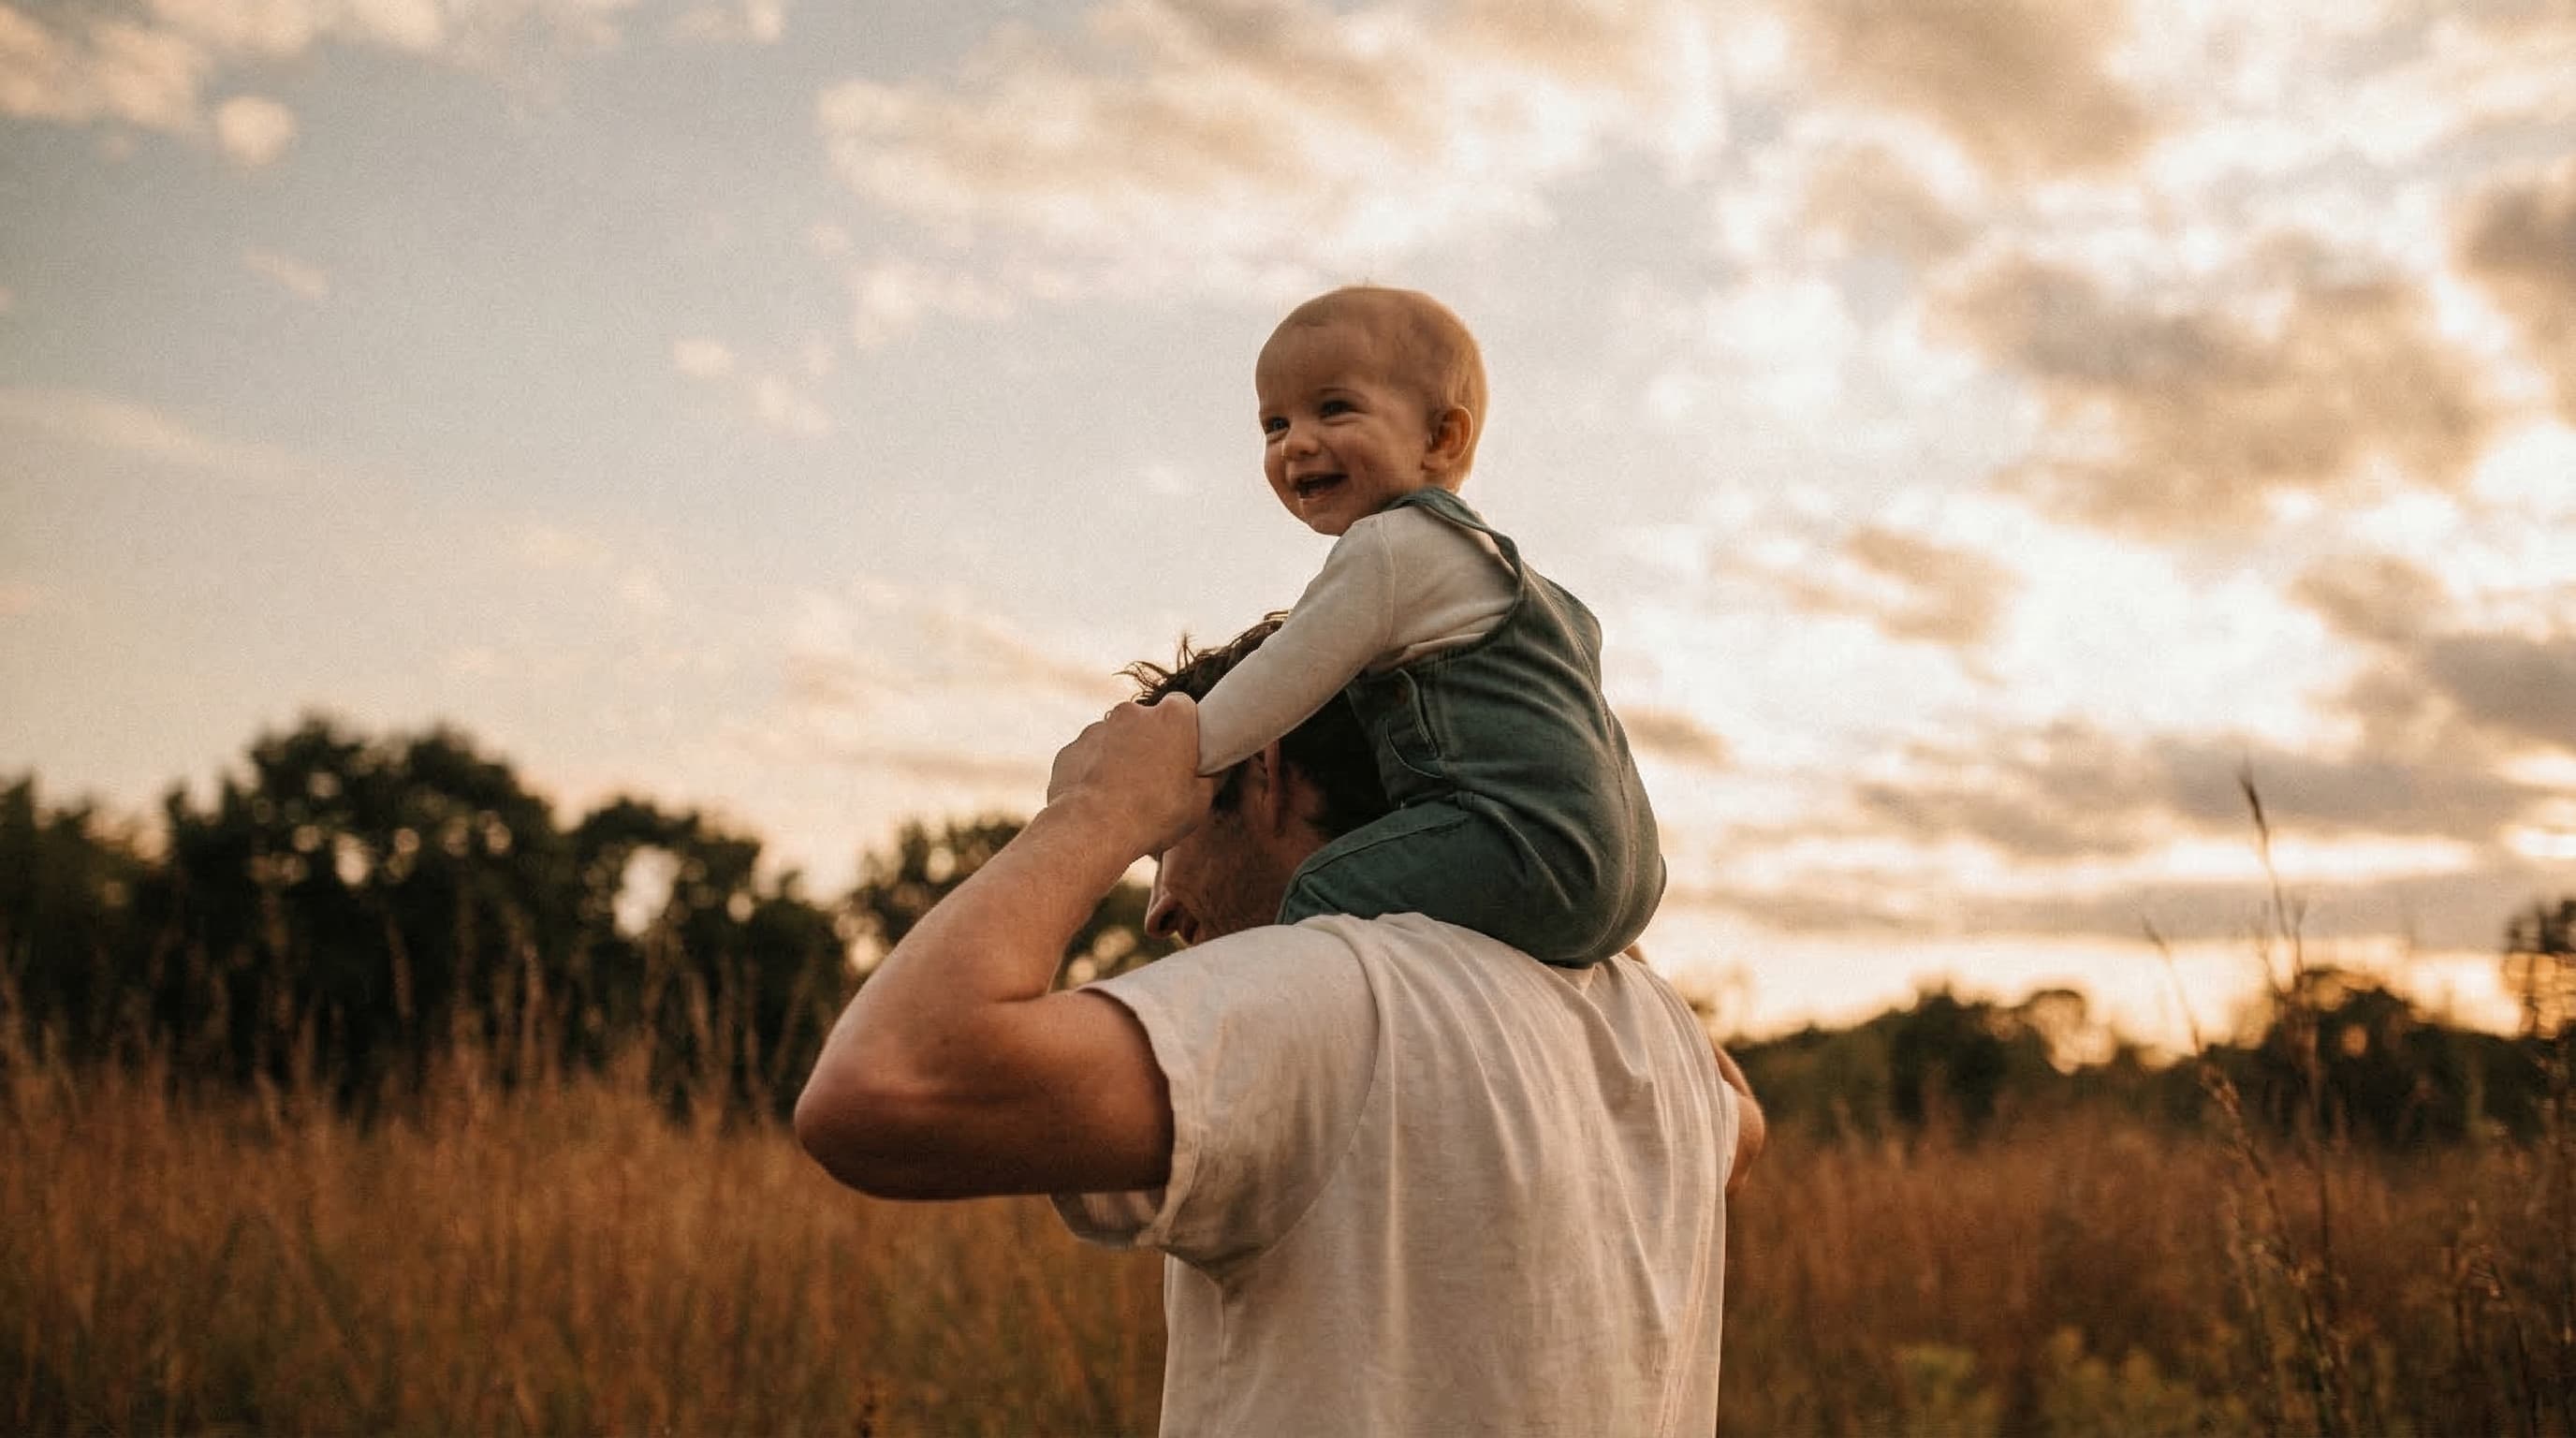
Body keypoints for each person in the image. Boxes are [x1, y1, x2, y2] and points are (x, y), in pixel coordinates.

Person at [796, 616, 1765, 1435]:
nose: (1159, 908)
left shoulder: (1326, 996)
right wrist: (1556, 903)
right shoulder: (1659, 1039)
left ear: (1267, 774)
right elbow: (1741, 1119)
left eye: (1166, 838)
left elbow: (885, 1087)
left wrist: (1096, 811)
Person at [1193, 285, 1663, 967]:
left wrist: (1175, 755)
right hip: (1633, 876)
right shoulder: (1512, 577)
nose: (1296, 444)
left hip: (1518, 844)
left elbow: (1276, 683)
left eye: (1334, 409)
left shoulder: (1389, 546)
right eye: (1274, 425)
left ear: (1442, 438)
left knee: (1315, 892)